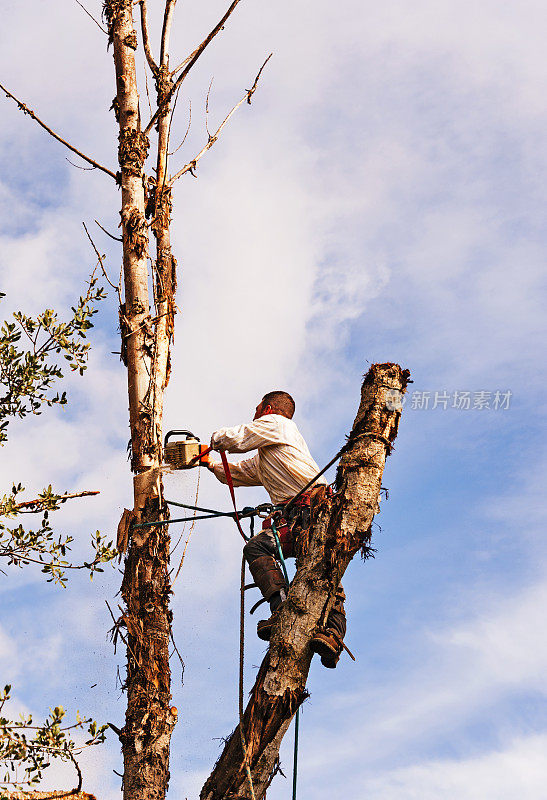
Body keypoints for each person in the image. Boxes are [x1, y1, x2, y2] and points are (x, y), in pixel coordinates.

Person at [203, 390, 347, 668]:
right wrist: (208, 463)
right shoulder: (268, 451)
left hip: (315, 511)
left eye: (256, 409)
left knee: (324, 568)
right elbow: (240, 473)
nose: (254, 414)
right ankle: (282, 608)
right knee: (279, 554)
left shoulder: (279, 425)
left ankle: (332, 635)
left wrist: (212, 443)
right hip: (295, 517)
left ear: (267, 409)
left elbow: (236, 437)